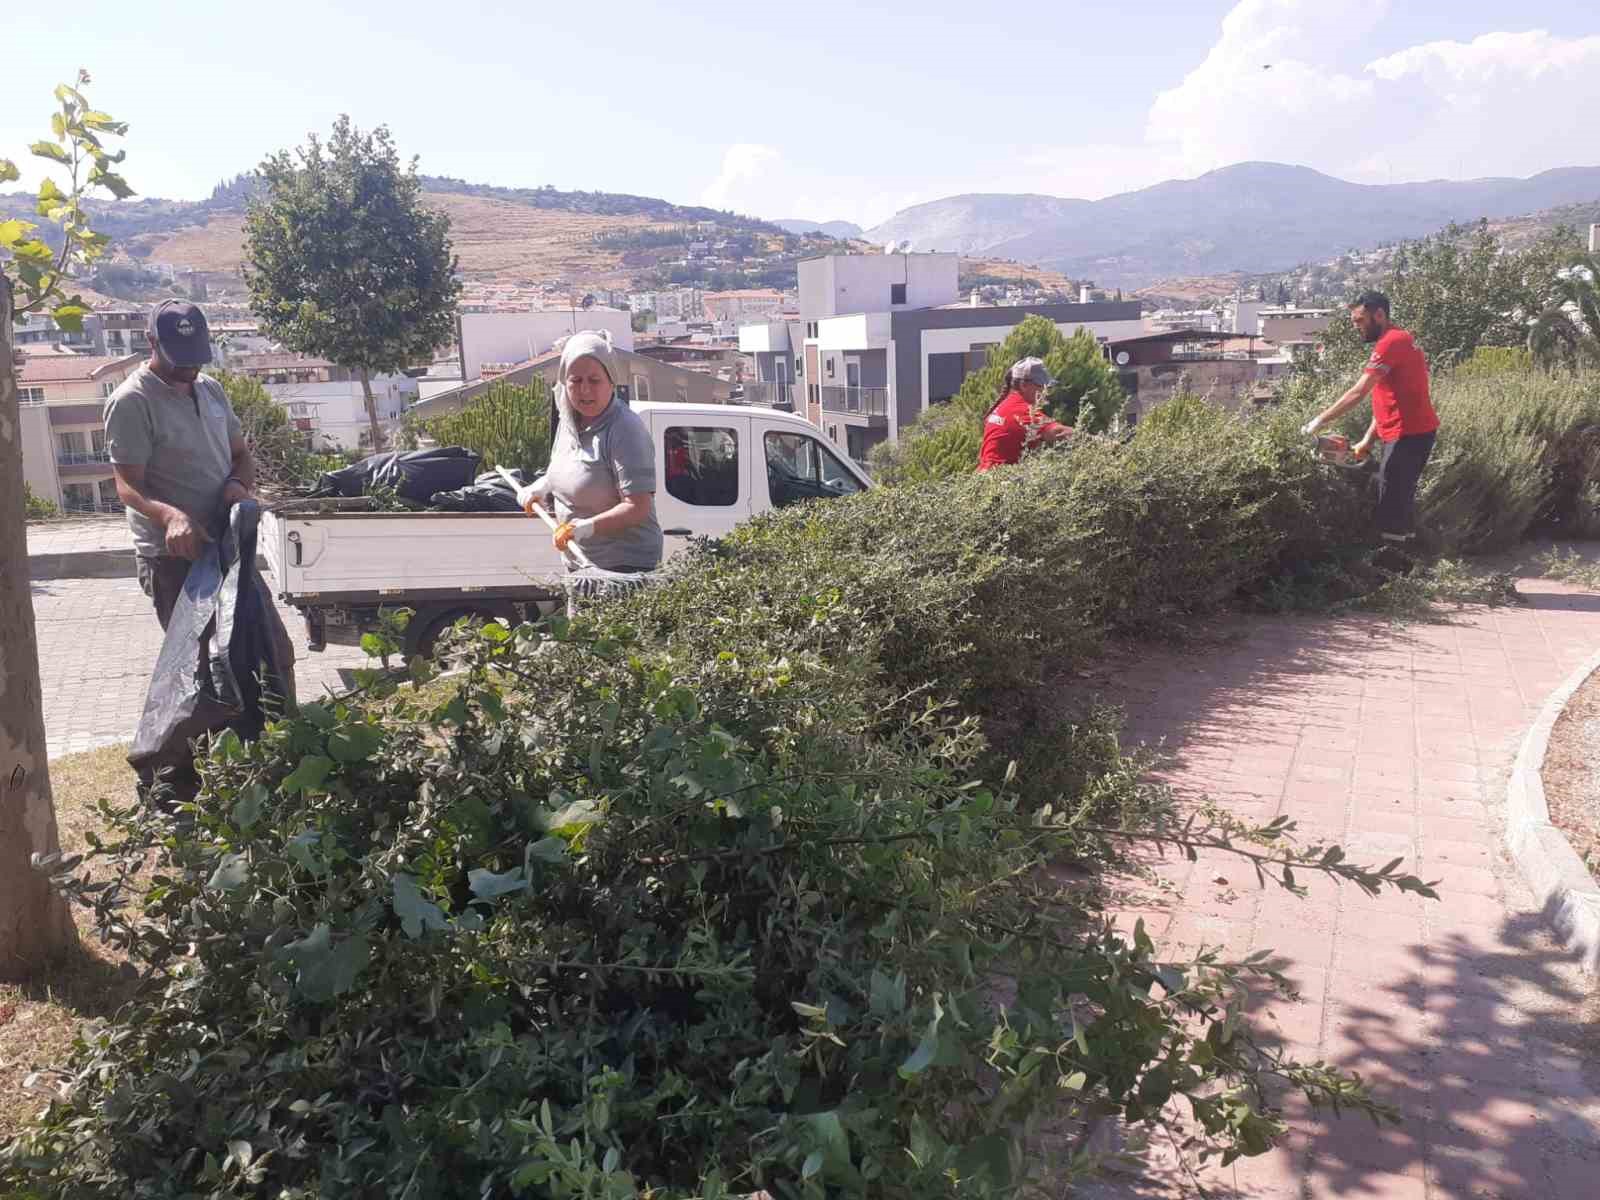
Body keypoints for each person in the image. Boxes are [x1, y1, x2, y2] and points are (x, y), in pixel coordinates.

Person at [105, 299, 257, 630]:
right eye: (180, 356)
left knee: (264, 651)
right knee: (196, 668)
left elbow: (241, 456)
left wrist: (238, 485)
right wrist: (171, 517)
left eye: (196, 355)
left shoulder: (211, 389)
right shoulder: (132, 401)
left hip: (225, 545)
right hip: (173, 558)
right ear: (152, 342)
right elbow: (127, 485)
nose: (190, 367)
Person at [1301, 291, 1439, 560]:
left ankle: (1393, 575)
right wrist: (1367, 440)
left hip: (1408, 435)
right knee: (1399, 498)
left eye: (1360, 320)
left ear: (1379, 315)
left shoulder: (1391, 342)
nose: (1357, 327)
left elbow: (1358, 392)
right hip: (1408, 432)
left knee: (1391, 502)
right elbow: (1391, 399)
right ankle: (1413, 568)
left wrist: (1318, 422)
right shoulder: (1398, 339)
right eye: (1354, 321)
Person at [516, 331, 663, 574]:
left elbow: (638, 507)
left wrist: (585, 528)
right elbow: (568, 471)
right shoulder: (568, 422)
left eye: (594, 381)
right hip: (579, 563)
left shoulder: (624, 429)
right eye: (575, 380)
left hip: (623, 569)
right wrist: (540, 488)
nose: (584, 390)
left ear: (611, 382)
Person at [976, 357, 1073, 471]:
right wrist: (1094, 440)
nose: (1046, 392)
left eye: (1048, 387)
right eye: (1041, 386)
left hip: (984, 479)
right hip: (999, 481)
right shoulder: (1022, 411)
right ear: (1024, 385)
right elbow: (1058, 432)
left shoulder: (1006, 405)